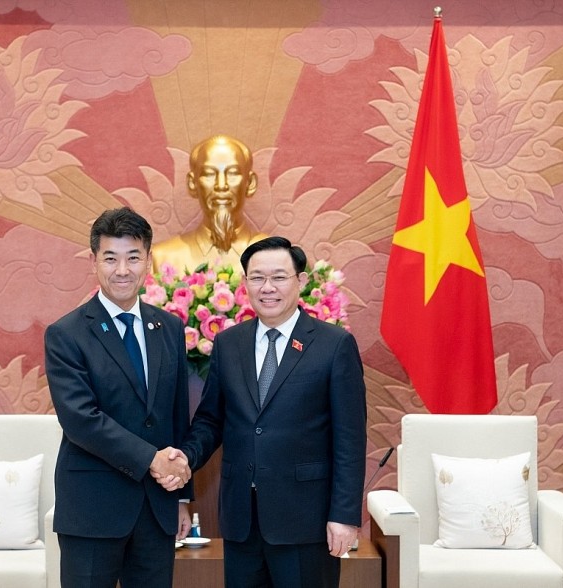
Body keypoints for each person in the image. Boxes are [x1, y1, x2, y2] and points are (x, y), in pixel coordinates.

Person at [173, 236, 367, 587]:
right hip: (240, 520)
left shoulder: (333, 345)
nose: (268, 287)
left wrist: (344, 515)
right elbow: (210, 420)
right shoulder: (229, 344)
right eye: (257, 277)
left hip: (306, 520)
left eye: (279, 277)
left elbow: (350, 439)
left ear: (301, 282)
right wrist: (185, 458)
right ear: (244, 283)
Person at [45, 207, 193, 588]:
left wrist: (181, 498)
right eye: (110, 258)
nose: (122, 270)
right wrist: (152, 460)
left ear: (148, 260)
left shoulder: (170, 327)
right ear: (94, 261)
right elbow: (82, 419)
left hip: (157, 509)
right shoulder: (67, 334)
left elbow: (176, 416)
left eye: (133, 257)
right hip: (93, 508)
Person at [152, 135, 267, 273]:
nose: (221, 185)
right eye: (209, 174)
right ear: (192, 183)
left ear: (250, 183)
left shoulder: (279, 257)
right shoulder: (162, 258)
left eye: (232, 173)